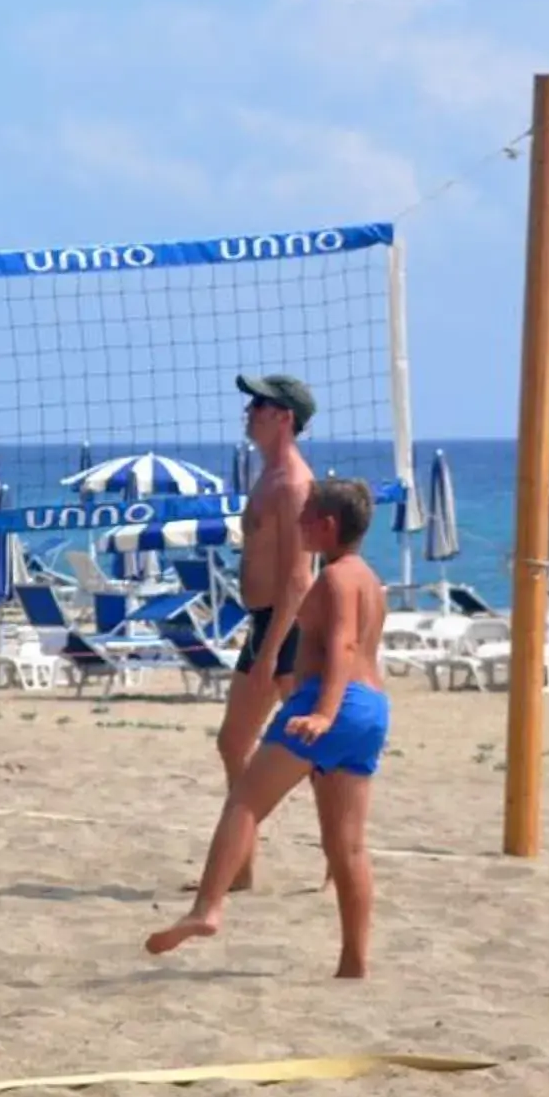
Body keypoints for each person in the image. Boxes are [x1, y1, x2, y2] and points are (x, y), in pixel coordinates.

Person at [149, 478, 387, 978]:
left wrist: (322, 712)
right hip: (369, 709)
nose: (298, 524)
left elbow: (342, 645)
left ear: (327, 525)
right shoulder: (370, 579)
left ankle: (207, 908)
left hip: (330, 702)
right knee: (347, 846)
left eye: (306, 517)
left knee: (245, 803)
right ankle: (353, 963)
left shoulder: (336, 579)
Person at [217, 374, 316, 893]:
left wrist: (272, 653)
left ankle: (336, 865)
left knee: (320, 750)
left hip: (289, 626)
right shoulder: (268, 474)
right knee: (234, 742)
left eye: (259, 404)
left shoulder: (294, 484)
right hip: (263, 623)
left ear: (284, 416)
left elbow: (300, 578)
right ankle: (242, 863)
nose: (248, 410)